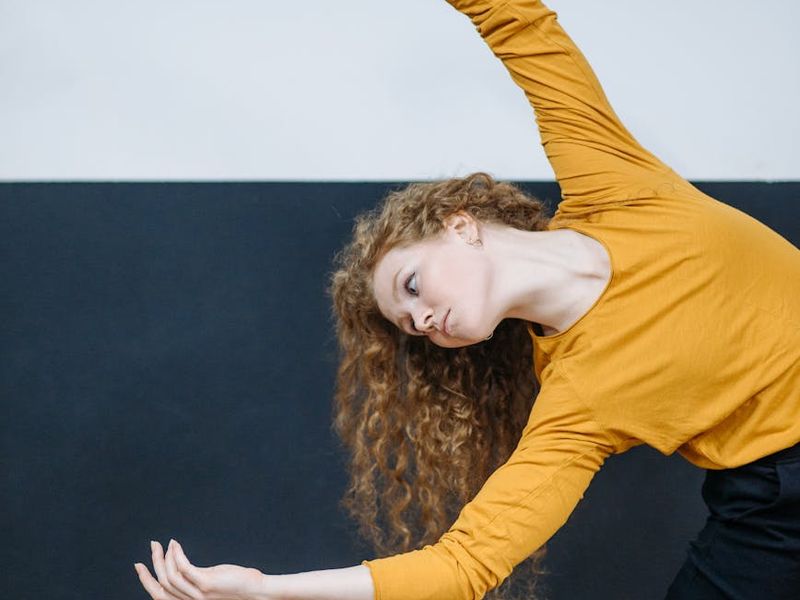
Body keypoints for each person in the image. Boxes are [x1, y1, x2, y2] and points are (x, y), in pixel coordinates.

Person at [134, 0, 800, 599]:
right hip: (780, 505)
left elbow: (520, 24)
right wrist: (270, 590)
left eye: (413, 286)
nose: (422, 320)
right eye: (412, 328)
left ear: (459, 224)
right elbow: (464, 565)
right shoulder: (579, 402)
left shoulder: (614, 184)